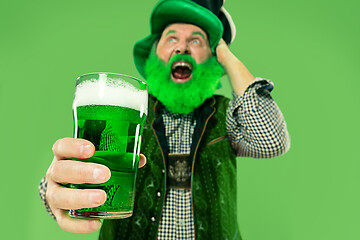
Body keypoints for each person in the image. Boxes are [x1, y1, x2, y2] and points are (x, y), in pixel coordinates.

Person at [39, 0, 290, 239]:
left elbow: (272, 141)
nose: (182, 48)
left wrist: (225, 53)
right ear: (153, 55)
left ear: (212, 59)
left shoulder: (228, 115)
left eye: (196, 40)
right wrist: (55, 189)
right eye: (171, 38)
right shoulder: (127, 110)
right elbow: (80, 166)